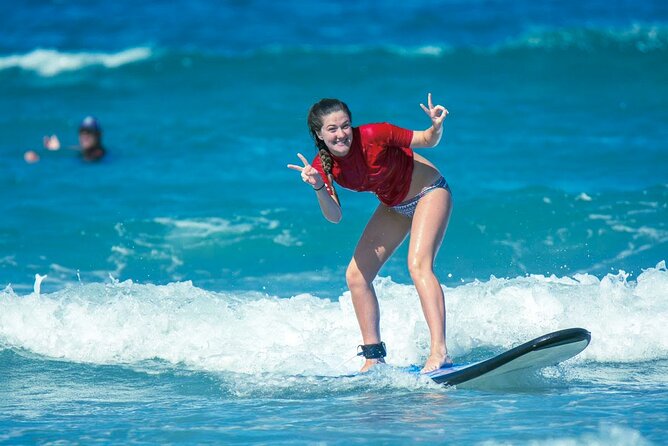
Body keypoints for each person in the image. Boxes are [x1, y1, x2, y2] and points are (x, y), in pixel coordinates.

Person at [287, 93, 453, 373]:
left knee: (418, 266)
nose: (341, 134)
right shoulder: (321, 165)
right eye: (332, 129)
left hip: (429, 191)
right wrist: (317, 186)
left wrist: (436, 126)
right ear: (319, 133)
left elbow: (426, 140)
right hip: (395, 205)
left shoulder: (376, 133)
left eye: (345, 126)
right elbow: (335, 216)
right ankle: (374, 358)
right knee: (356, 276)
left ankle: (439, 352)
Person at [40, 115, 106, 162]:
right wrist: (56, 150)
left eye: (89, 132)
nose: (85, 136)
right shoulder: (84, 150)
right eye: (82, 132)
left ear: (99, 135)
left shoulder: (97, 154)